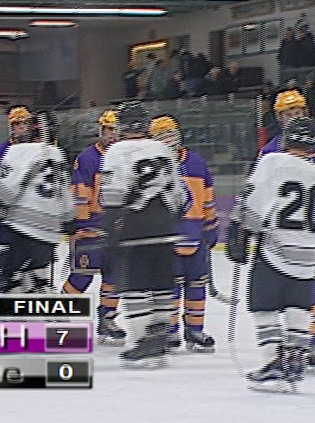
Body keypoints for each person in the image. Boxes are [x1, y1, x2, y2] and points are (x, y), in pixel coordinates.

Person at [230, 117, 315, 392]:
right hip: (307, 254)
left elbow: (253, 200)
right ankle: (296, 359)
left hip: (274, 250)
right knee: (298, 306)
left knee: (263, 305)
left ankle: (273, 361)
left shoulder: (272, 162)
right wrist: (307, 242)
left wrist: (241, 229)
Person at [259, 89, 315, 371]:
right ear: (278, 117)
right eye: (288, 113)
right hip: (298, 235)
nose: (295, 117)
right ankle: (309, 339)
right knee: (307, 284)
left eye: (298, 111)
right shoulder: (271, 150)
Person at [98, 101, 187, 368]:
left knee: (135, 285)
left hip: (134, 227)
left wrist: (111, 229)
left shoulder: (117, 151)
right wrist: (169, 219)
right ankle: (159, 336)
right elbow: (179, 193)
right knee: (161, 284)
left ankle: (142, 341)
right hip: (164, 226)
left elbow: (112, 194)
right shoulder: (161, 149)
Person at [0, 112, 73, 294]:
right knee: (38, 281)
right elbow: (65, 199)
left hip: (19, 229)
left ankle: (18, 321)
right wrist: (70, 224)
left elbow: (2, 190)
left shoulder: (19, 150)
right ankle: (52, 318)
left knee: (2, 282)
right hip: (48, 234)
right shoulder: (58, 155)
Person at [149, 115, 218, 353]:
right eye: (161, 136)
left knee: (197, 284)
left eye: (170, 134)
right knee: (171, 286)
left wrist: (211, 226)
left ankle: (195, 329)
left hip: (194, 235)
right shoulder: (150, 165)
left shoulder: (197, 162)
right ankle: (170, 330)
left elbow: (207, 198)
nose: (168, 140)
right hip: (165, 238)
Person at [63, 109, 126, 345]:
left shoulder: (126, 156)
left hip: (118, 230)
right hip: (92, 229)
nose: (112, 135)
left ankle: (107, 319)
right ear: (101, 131)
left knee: (114, 277)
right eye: (108, 130)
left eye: (116, 130)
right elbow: (80, 194)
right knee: (82, 276)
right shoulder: (88, 158)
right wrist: (82, 224)